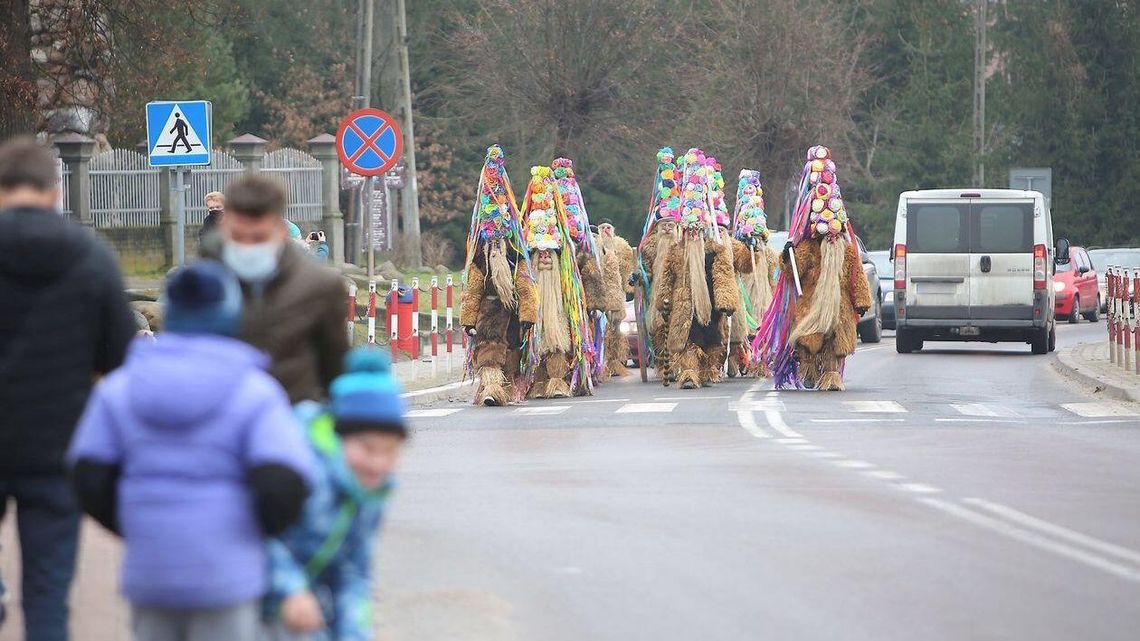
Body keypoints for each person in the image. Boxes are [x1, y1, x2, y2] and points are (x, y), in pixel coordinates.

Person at [68, 261, 315, 641]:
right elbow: (285, 482)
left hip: (151, 571)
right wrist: (250, 534)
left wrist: (135, 522)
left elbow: (87, 473)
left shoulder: (121, 387)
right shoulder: (255, 391)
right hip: (227, 574)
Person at [0, 137, 136, 641]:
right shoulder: (90, 257)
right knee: (47, 596)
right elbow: (121, 359)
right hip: (59, 446)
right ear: (56, 191)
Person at [262, 348, 408, 641]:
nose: (378, 463)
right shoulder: (301, 470)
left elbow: (354, 570)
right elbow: (254, 536)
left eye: (390, 451)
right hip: (247, 597)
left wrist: (354, 633)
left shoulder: (371, 489)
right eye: (367, 448)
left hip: (309, 601)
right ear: (340, 436)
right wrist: (290, 590)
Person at [213, 176, 350, 403]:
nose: (248, 247)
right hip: (225, 413)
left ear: (282, 231)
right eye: (238, 237)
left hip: (293, 410)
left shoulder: (320, 286)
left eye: (259, 237)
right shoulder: (203, 282)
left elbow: (335, 372)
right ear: (224, 227)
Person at [755, 146, 872, 391]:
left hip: (839, 308)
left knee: (834, 343)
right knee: (808, 340)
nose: (830, 236)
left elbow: (857, 275)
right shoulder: (808, 248)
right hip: (811, 306)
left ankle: (831, 375)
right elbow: (791, 271)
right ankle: (808, 369)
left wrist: (862, 300)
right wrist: (787, 255)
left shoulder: (847, 251)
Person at [459, 145, 538, 406]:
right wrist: (468, 319)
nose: (496, 246)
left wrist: (528, 315)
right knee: (489, 351)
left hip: (512, 314)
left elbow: (525, 286)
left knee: (511, 351)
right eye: (492, 241)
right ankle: (492, 390)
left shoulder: (515, 255)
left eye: (499, 241)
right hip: (489, 313)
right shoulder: (479, 258)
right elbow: (473, 290)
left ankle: (506, 388)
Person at [654, 148, 738, 390]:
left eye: (696, 231)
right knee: (687, 340)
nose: (692, 235)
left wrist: (726, 301)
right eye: (689, 231)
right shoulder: (676, 251)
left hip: (710, 305)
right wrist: (663, 299)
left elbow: (723, 276)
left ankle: (709, 370)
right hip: (683, 305)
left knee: (711, 341)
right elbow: (666, 278)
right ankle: (689, 373)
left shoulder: (716, 250)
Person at [520, 166, 591, 398]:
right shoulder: (526, 278)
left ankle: (558, 381)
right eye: (539, 254)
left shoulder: (565, 278)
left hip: (558, 314)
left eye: (548, 254)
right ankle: (538, 383)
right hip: (535, 318)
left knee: (558, 344)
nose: (544, 258)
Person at [637, 148, 682, 385]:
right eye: (663, 224)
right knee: (658, 328)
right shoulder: (650, 246)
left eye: (670, 224)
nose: (666, 228)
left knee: (678, 327)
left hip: (679, 293)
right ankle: (665, 364)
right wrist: (637, 276)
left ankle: (678, 363)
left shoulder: (682, 245)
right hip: (657, 294)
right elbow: (644, 268)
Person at [729, 170, 778, 377]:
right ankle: (735, 357)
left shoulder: (769, 255)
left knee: (762, 326)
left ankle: (761, 362)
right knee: (739, 328)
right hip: (742, 298)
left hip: (763, 299)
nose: (756, 241)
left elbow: (774, 278)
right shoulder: (737, 251)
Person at [596, 218, 635, 377]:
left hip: (617, 294)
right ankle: (601, 362)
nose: (606, 231)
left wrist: (630, 285)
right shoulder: (594, 244)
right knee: (600, 329)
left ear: (613, 230)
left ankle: (615, 360)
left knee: (616, 328)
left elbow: (628, 268)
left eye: (608, 227)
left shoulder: (621, 246)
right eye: (602, 228)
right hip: (600, 293)